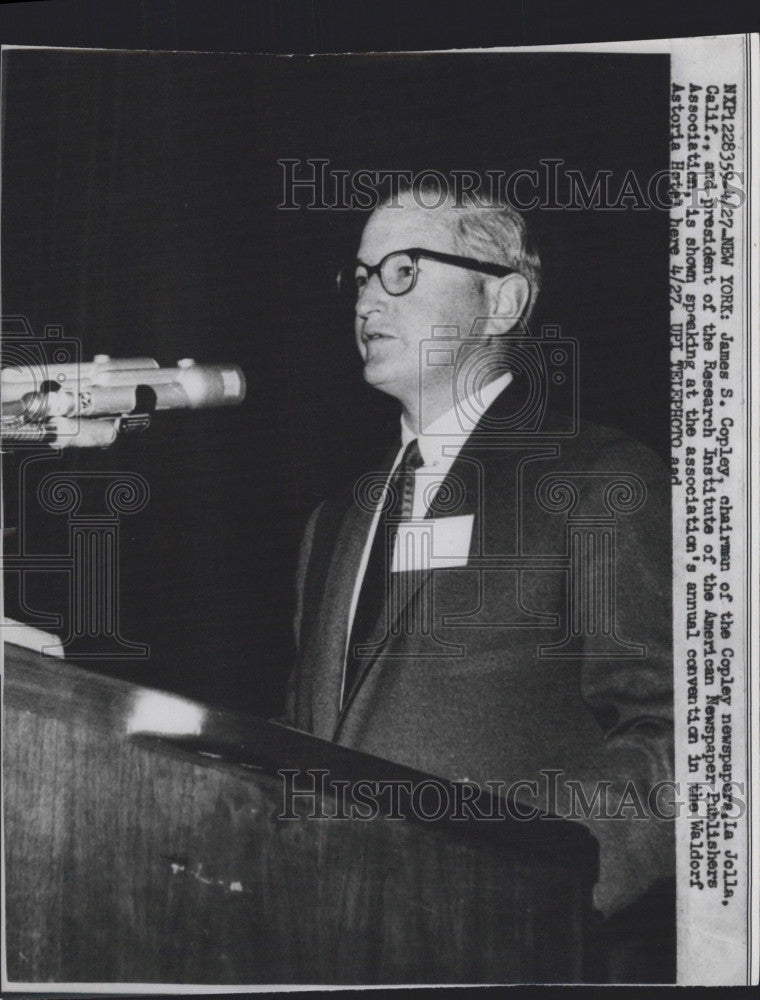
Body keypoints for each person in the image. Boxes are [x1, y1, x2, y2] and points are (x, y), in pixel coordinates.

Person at [283, 177, 674, 981]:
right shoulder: (334, 521)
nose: (366, 302)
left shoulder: (601, 480)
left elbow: (679, 740)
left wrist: (538, 878)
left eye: (403, 270)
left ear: (503, 303)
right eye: (360, 276)